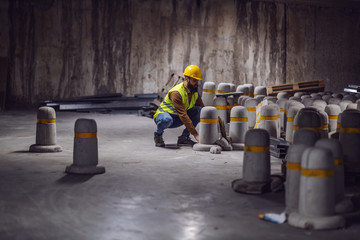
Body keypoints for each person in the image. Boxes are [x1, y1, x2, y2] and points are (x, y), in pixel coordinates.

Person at [153, 65, 205, 147]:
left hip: (177, 118)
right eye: (195, 80)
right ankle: (158, 134)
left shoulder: (193, 91)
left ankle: (184, 138)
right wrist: (195, 134)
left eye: (198, 80)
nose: (197, 83)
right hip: (164, 117)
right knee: (167, 119)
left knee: (199, 110)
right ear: (187, 79)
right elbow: (183, 115)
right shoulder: (176, 93)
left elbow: (204, 109)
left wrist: (216, 122)